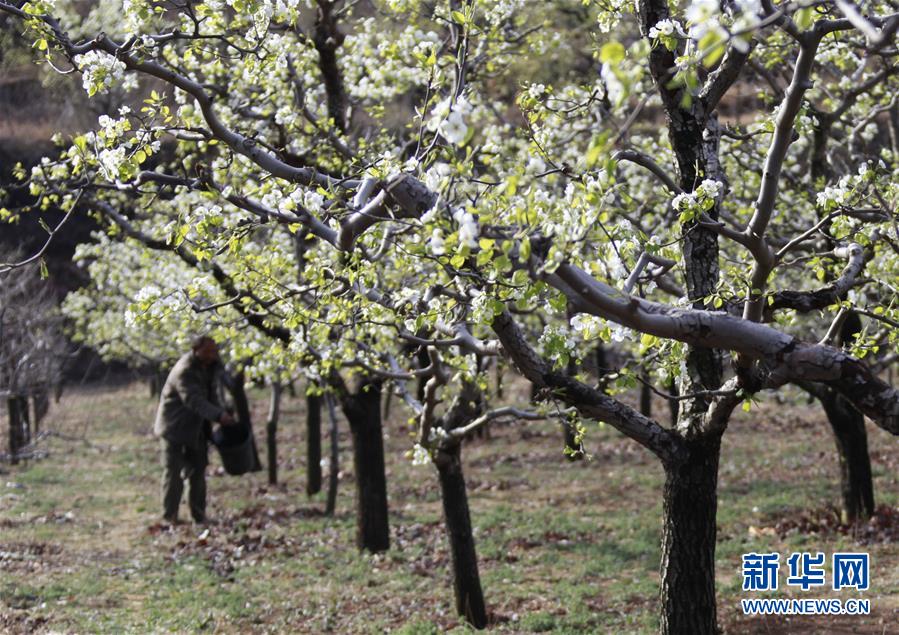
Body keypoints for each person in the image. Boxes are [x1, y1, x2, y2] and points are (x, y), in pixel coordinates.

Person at [154, 336, 235, 524]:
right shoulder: (184, 371)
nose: (212, 355)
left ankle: (198, 515)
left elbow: (211, 395)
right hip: (175, 428)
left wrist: (222, 411)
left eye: (214, 351)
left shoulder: (210, 368)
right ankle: (170, 517)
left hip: (196, 428)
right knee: (173, 472)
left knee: (198, 471)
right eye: (208, 351)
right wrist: (218, 416)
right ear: (196, 350)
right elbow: (194, 400)